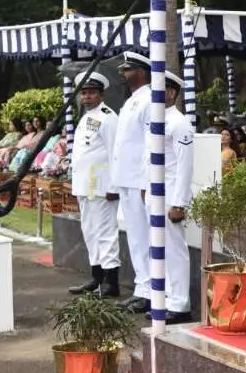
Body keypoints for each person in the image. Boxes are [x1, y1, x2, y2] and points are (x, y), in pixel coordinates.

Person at [67, 73, 121, 298]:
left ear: (102, 94)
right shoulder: (86, 117)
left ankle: (111, 281)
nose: (87, 97)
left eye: (91, 93)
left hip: (102, 185)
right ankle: (96, 276)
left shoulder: (108, 117)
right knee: (90, 231)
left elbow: (115, 153)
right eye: (84, 93)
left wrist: (114, 186)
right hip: (85, 185)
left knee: (106, 232)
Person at [109, 51, 151, 314]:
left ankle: (148, 291)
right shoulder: (131, 101)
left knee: (143, 237)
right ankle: (142, 287)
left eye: (129, 69)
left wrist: (147, 180)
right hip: (126, 178)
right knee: (135, 238)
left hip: (138, 179)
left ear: (142, 72)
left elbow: (149, 144)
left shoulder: (148, 99)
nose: (124, 74)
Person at [154, 70, 194, 323]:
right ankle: (168, 298)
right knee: (160, 249)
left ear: (172, 92)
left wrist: (179, 202)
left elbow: (184, 165)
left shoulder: (179, 122)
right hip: (156, 193)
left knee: (175, 249)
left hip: (171, 195)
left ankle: (180, 305)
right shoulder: (154, 119)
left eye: (163, 89)